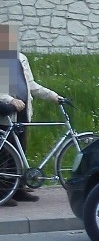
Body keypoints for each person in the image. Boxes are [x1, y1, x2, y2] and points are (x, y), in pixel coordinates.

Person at [0, 23, 63, 203]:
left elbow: (31, 85)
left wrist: (53, 96)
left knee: (21, 152)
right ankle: (3, 191)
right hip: (8, 113)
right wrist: (10, 100)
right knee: (6, 155)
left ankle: (18, 189)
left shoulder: (21, 59)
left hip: (23, 112)